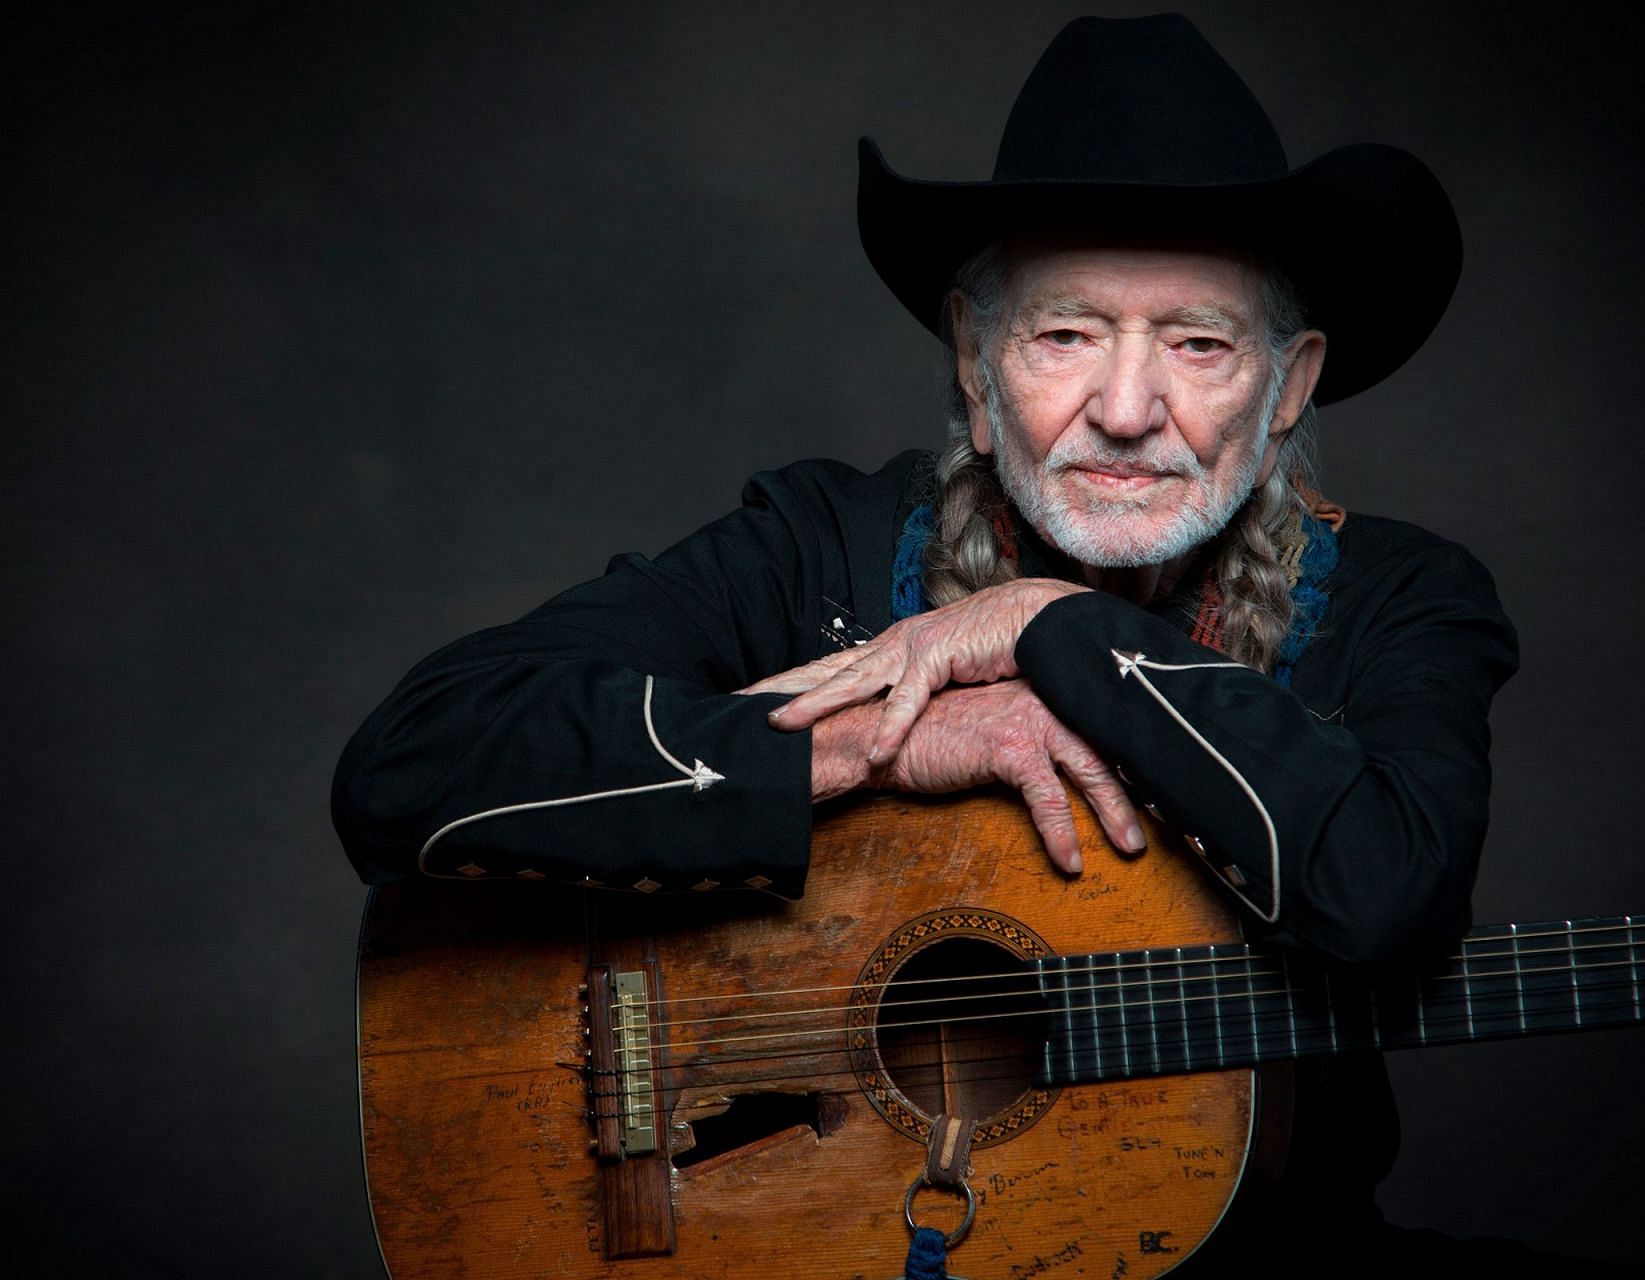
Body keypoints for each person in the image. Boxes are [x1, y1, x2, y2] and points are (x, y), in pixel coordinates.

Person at [334, 13, 1519, 1268]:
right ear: (972, 352)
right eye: (1065, 333)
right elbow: (407, 767)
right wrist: (870, 744)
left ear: (1286, 387)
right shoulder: (817, 548)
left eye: (1198, 342)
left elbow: (1392, 895)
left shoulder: (1402, 597)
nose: (1125, 410)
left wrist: (1054, 623)